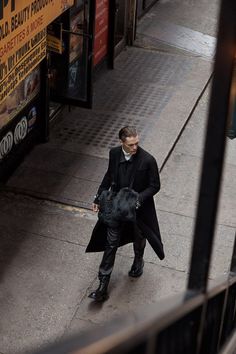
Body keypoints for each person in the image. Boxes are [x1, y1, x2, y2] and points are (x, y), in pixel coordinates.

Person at [86, 126, 165, 302]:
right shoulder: (114, 153)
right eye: (131, 145)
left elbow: (155, 185)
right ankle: (102, 287)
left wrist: (138, 199)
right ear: (122, 143)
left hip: (137, 210)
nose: (135, 148)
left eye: (137, 143)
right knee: (110, 244)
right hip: (116, 207)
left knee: (139, 236)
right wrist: (98, 197)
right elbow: (109, 176)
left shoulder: (148, 160)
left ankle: (138, 261)